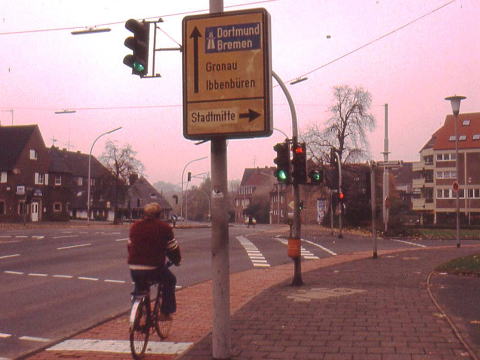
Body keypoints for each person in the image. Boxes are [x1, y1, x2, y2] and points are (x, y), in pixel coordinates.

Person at [128, 202, 181, 320]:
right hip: (154, 267)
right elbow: (172, 248)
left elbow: (129, 246)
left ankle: (137, 310)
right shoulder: (164, 228)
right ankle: (165, 312)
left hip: (134, 267)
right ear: (159, 214)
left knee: (140, 285)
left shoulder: (135, 226)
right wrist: (176, 260)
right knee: (170, 280)